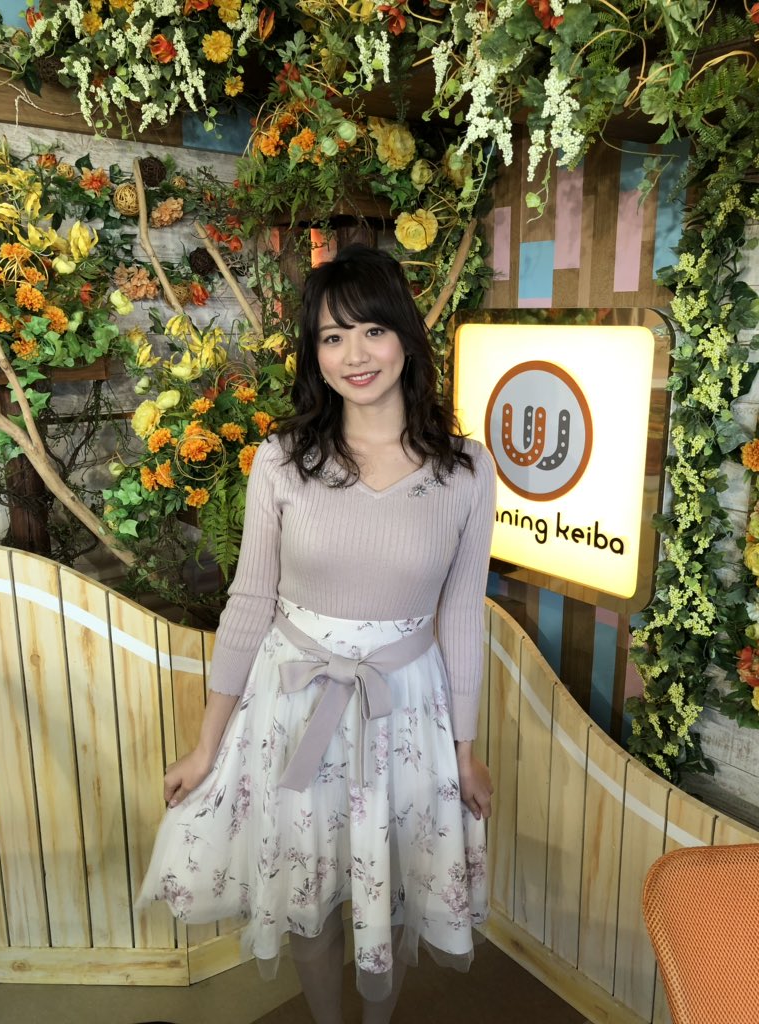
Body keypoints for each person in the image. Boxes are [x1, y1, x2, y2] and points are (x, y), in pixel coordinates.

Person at [137, 244, 496, 1024]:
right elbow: (249, 603)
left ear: (406, 338)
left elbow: (462, 615)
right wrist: (205, 746)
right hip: (293, 707)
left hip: (407, 714)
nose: (354, 355)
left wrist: (466, 749)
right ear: (315, 353)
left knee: (387, 891)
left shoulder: (467, 470)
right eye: (333, 337)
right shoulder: (281, 461)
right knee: (307, 891)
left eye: (372, 330)